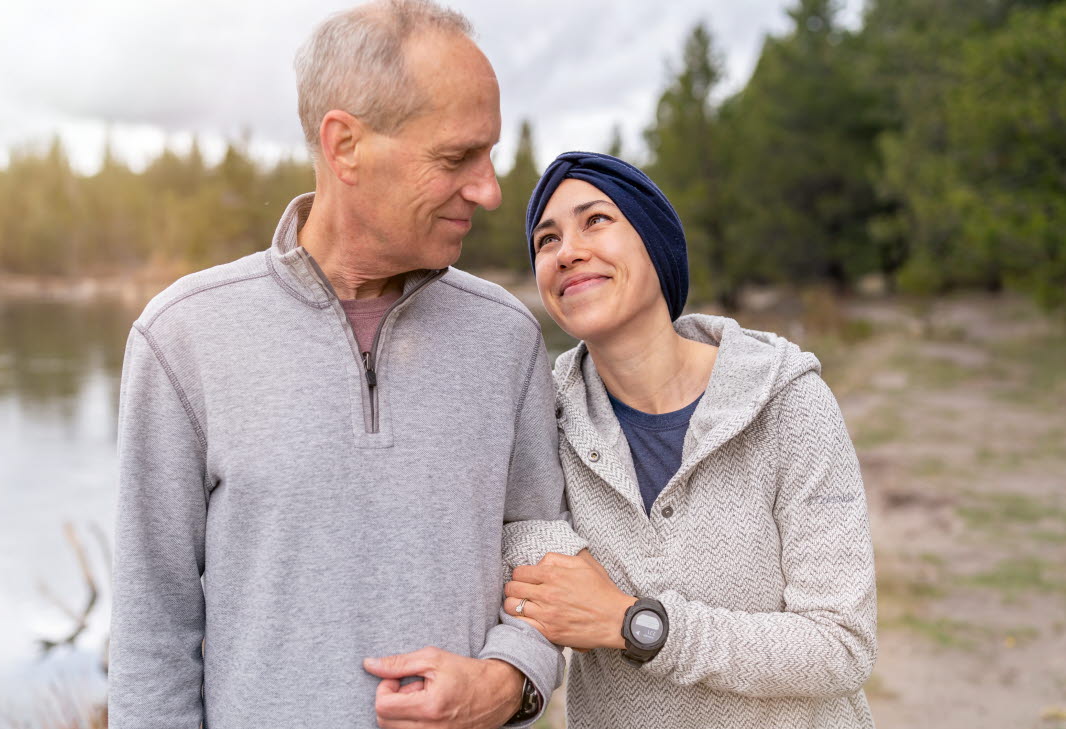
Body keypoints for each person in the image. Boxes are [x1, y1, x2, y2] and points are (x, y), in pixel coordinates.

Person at [107, 2, 587, 727]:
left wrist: (509, 680)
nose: (490, 190)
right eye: (456, 158)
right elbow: (152, 636)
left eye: (489, 155)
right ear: (346, 146)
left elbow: (542, 558)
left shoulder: (507, 336)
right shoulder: (182, 338)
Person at [501, 152, 877, 728]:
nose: (567, 251)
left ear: (656, 245)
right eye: (546, 240)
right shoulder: (542, 419)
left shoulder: (788, 402)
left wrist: (633, 623)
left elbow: (841, 645)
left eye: (595, 220)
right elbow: (521, 563)